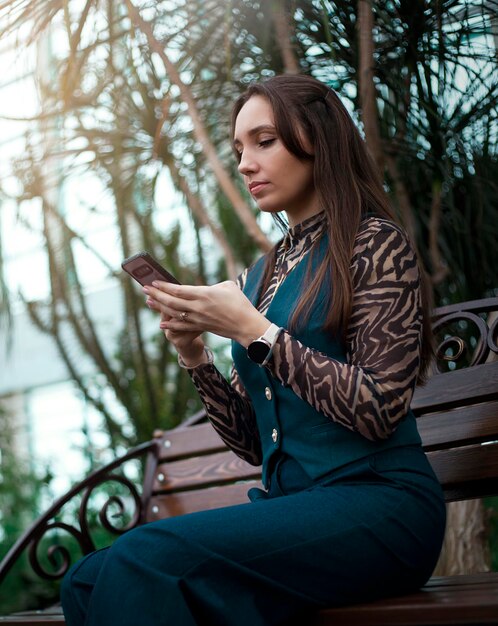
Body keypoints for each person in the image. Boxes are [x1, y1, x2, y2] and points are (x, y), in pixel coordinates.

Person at [61, 74, 446, 626]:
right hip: (296, 511)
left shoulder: (376, 243)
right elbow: (251, 443)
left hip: (381, 507)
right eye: (239, 149)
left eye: (264, 141)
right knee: (86, 577)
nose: (244, 164)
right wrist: (195, 355)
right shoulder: (262, 276)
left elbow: (378, 408)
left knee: (149, 558)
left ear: (319, 140)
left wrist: (255, 332)